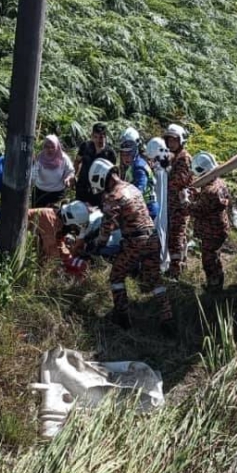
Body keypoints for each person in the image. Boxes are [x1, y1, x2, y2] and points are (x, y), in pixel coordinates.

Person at [76, 159, 173, 332]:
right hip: (152, 238)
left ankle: (122, 318)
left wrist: (95, 246)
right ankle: (167, 318)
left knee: (116, 276)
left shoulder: (113, 196)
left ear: (102, 178)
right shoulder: (132, 188)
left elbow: (106, 230)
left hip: (136, 242)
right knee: (155, 280)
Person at [190, 151, 231, 291]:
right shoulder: (219, 183)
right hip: (219, 227)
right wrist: (197, 195)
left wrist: (185, 202)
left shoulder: (209, 192)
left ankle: (215, 286)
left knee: (209, 260)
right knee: (214, 255)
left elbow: (197, 211)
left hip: (211, 231)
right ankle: (217, 282)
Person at [163, 123, 193, 278]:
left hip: (179, 205)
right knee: (175, 235)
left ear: (180, 140)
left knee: (177, 236)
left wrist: (164, 174)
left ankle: (177, 269)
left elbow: (179, 182)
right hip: (173, 204)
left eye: (174, 140)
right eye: (169, 140)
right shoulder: (174, 156)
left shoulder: (183, 158)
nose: (171, 143)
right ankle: (178, 265)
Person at [74, 123, 117, 206]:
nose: (98, 140)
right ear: (92, 136)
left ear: (105, 137)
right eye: (95, 137)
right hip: (82, 188)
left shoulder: (110, 154)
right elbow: (77, 161)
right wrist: (74, 175)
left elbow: (113, 175)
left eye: (101, 137)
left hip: (99, 192)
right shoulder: (85, 147)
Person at [145, 136, 171, 271]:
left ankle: (159, 263)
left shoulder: (157, 171)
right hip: (160, 207)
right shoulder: (163, 169)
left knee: (159, 227)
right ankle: (162, 261)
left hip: (157, 206)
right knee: (162, 227)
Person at [119, 138, 159, 220]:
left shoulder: (138, 168)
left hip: (147, 208)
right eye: (123, 154)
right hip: (143, 206)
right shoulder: (134, 164)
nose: (126, 157)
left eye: (129, 154)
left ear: (135, 153)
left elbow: (139, 190)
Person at [30, 135, 74, 208]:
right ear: (43, 147)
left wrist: (68, 179)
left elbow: (70, 171)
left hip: (57, 195)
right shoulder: (40, 158)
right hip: (40, 193)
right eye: (47, 147)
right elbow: (33, 174)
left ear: (57, 147)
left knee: (55, 218)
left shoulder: (63, 158)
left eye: (52, 147)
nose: (50, 149)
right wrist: (29, 184)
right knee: (37, 217)